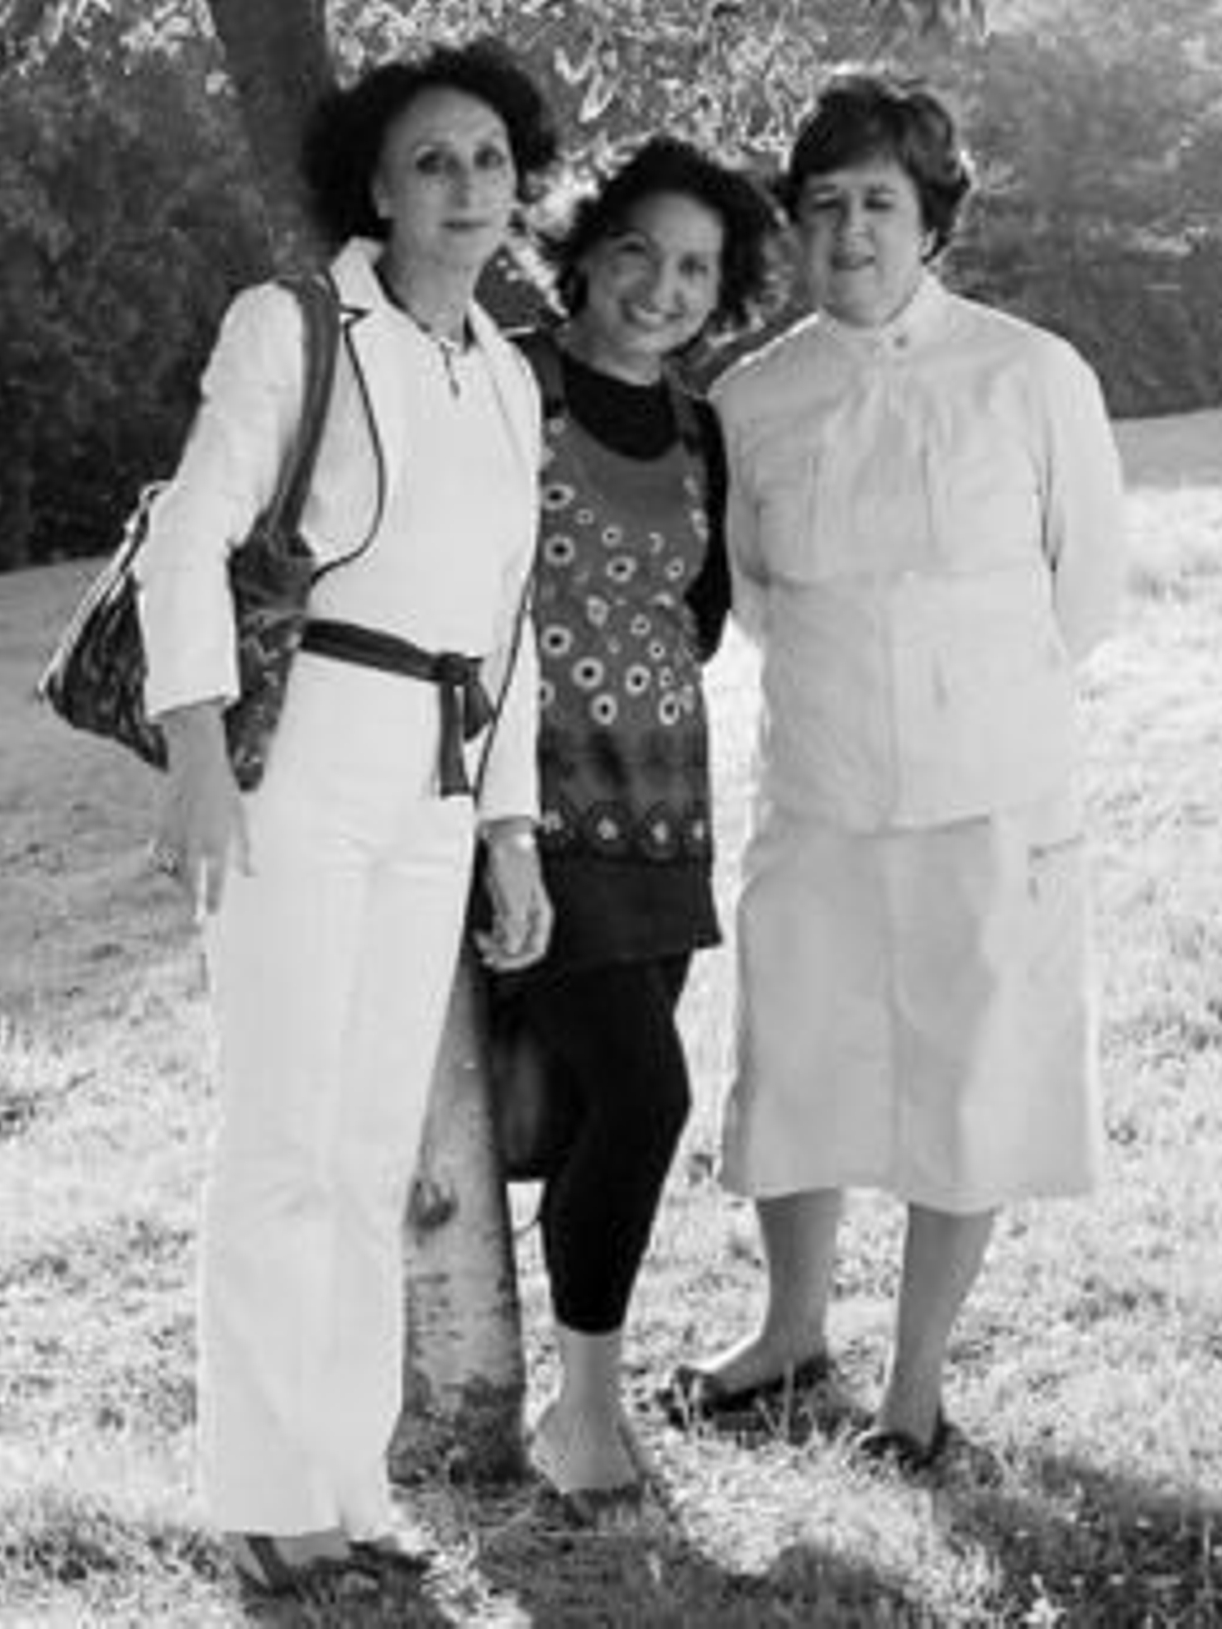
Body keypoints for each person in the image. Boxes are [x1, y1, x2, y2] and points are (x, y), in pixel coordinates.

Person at [133, 40, 558, 1598]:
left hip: (437, 784)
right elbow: (193, 536)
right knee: (286, 1138)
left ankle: (348, 1478)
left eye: (492, 162)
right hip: (294, 763)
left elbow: (506, 628)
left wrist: (510, 831)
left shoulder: (510, 373)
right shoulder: (296, 323)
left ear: (522, 191)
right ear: (374, 184)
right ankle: (262, 1492)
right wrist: (196, 757)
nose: (464, 188)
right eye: (432, 160)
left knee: (374, 1147)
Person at [666, 75, 1125, 1473]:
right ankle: (790, 1329)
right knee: (794, 1063)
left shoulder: (1030, 374)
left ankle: (914, 1388)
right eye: (823, 207)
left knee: (966, 1081)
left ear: (932, 221)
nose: (849, 230)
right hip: (819, 788)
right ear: (794, 229)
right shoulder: (750, 397)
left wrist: (958, 697)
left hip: (992, 796)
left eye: (878, 202)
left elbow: (1085, 589)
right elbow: (748, 590)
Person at [496, 137, 777, 1513]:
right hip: (528, 815)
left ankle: (554, 1383)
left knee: (585, 1109)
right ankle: (585, 1415)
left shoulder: (699, 425)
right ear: (584, 247)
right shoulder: (511, 383)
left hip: (662, 817)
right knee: (646, 1094)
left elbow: (703, 613)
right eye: (638, 251)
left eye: (695, 267)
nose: (663, 286)